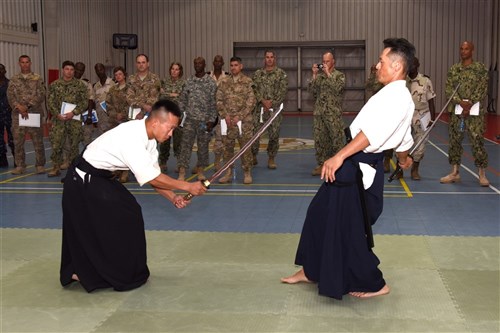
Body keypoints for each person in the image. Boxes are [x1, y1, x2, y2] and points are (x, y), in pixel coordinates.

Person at [281, 38, 415, 300]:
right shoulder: (389, 93)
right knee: (319, 212)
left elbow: (371, 134)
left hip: (358, 165)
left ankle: (375, 283)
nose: (377, 66)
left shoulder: (399, 98)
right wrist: (403, 160)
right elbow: (404, 138)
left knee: (349, 229)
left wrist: (338, 157)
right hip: (353, 161)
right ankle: (312, 270)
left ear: (397, 66)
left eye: (381, 61)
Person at [60, 99, 207, 292]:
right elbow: (153, 178)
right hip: (83, 180)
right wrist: (187, 186)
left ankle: (125, 270)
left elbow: (153, 176)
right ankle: (88, 271)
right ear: (155, 122)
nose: (171, 134)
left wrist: (172, 197)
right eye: (170, 128)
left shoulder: (150, 141)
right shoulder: (132, 137)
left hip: (102, 178)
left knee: (130, 212)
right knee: (114, 219)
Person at [440, 41, 490, 187]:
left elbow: (483, 88)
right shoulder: (454, 69)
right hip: (457, 110)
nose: (463, 51)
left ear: (472, 50)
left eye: (466, 49)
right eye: (461, 48)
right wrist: (460, 102)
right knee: (455, 140)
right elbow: (449, 89)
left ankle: (482, 174)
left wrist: (470, 102)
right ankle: (455, 172)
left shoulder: (480, 68)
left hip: (475, 112)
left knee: (477, 140)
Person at [216, 56, 256, 184]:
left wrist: (240, 116)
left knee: (245, 147)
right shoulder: (224, 82)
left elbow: (251, 101)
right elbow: (219, 100)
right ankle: (228, 172)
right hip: (227, 122)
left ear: (241, 66)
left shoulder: (248, 82)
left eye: (236, 65)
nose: (233, 67)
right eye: (232, 65)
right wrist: (225, 115)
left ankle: (247, 172)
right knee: (227, 148)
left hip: (243, 122)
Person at [177, 57, 217, 181]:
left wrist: (211, 120)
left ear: (204, 65)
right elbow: (182, 100)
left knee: (203, 147)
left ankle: (200, 171)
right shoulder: (189, 81)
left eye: (200, 63)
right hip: (190, 120)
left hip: (204, 121)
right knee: (185, 146)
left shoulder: (210, 82)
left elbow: (214, 103)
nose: (197, 65)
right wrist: (179, 116)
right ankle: (182, 172)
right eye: (195, 63)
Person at [7, 55, 46, 174]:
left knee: (37, 141)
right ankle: (20, 166)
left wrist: (27, 106)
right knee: (18, 142)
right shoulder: (14, 79)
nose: (25, 64)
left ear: (30, 63)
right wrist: (19, 107)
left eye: (27, 62)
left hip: (33, 113)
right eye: (22, 62)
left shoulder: (37, 78)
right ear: (19, 63)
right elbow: (10, 95)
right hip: (18, 115)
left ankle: (39, 165)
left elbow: (41, 94)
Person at [47, 60, 88, 177]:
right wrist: (56, 114)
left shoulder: (80, 85)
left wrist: (74, 112)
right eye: (67, 69)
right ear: (62, 70)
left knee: (74, 145)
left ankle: (73, 168)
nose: (69, 72)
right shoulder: (55, 85)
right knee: (56, 143)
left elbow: (84, 102)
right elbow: (50, 102)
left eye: (71, 70)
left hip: (74, 119)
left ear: (74, 71)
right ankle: (55, 167)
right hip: (59, 120)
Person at [308, 51, 345, 176]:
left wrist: (328, 73)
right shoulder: (319, 77)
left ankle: (339, 165)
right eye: (323, 62)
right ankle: (321, 164)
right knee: (320, 140)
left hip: (333, 114)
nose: (324, 64)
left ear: (333, 61)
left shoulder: (339, 75)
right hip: (319, 113)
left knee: (336, 140)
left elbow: (337, 88)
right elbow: (312, 91)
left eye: (327, 61)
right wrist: (314, 75)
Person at [251, 50, 288, 169]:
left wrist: (272, 103)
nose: (269, 59)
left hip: (274, 110)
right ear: (264, 59)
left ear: (275, 58)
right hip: (259, 110)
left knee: (274, 135)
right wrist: (262, 100)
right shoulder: (257, 74)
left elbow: (283, 91)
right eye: (267, 57)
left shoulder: (281, 74)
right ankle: (253, 156)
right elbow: (254, 90)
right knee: (255, 134)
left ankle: (271, 158)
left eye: (272, 57)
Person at [406, 57, 436, 180]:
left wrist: (432, 119)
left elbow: (431, 101)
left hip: (422, 115)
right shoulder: (402, 81)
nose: (411, 66)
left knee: (420, 144)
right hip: (405, 116)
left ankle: (415, 169)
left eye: (413, 63)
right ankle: (399, 168)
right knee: (401, 143)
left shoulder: (425, 81)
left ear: (418, 65)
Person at [158, 62, 186, 172]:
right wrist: (173, 95)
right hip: (165, 117)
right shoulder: (164, 82)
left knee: (178, 142)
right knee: (164, 141)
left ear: (180, 71)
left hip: (178, 117)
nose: (174, 71)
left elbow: (183, 99)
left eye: (177, 69)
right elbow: (160, 97)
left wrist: (168, 94)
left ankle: (180, 164)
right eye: (172, 69)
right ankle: (163, 162)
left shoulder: (184, 83)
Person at [106, 66, 130, 183]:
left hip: (127, 121)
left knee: (126, 147)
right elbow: (108, 104)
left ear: (124, 75)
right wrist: (115, 114)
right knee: (116, 147)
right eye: (116, 75)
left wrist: (123, 114)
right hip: (114, 121)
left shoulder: (130, 89)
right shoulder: (112, 89)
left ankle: (125, 171)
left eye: (120, 74)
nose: (118, 76)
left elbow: (132, 103)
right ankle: (117, 169)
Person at [208, 55, 229, 171]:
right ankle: (201, 163)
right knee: (203, 140)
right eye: (216, 61)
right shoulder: (207, 76)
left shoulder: (227, 77)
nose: (217, 63)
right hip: (209, 112)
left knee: (221, 138)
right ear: (213, 62)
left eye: (220, 61)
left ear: (222, 63)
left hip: (222, 113)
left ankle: (218, 161)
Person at [126, 54, 161, 120]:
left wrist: (142, 112)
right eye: (138, 63)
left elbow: (154, 98)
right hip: (134, 116)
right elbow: (129, 98)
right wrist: (143, 105)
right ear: (136, 64)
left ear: (148, 64)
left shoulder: (154, 79)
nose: (141, 65)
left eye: (143, 62)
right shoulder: (131, 79)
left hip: (150, 115)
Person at [74, 62, 95, 158]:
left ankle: (89, 160)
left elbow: (91, 100)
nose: (79, 72)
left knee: (87, 141)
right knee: (71, 142)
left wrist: (90, 116)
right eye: (77, 69)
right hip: (71, 117)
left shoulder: (86, 84)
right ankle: (70, 161)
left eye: (81, 70)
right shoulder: (66, 82)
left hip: (84, 115)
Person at [92, 63, 114, 134]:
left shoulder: (112, 83)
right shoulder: (96, 86)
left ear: (104, 70)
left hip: (110, 118)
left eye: (100, 69)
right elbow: (94, 103)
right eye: (97, 71)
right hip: (100, 119)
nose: (99, 72)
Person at [0, 64, 14, 168]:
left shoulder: (10, 84)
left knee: (13, 138)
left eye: (1, 69)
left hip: (10, 115)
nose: (0, 71)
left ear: (5, 71)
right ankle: (2, 160)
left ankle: (17, 161)